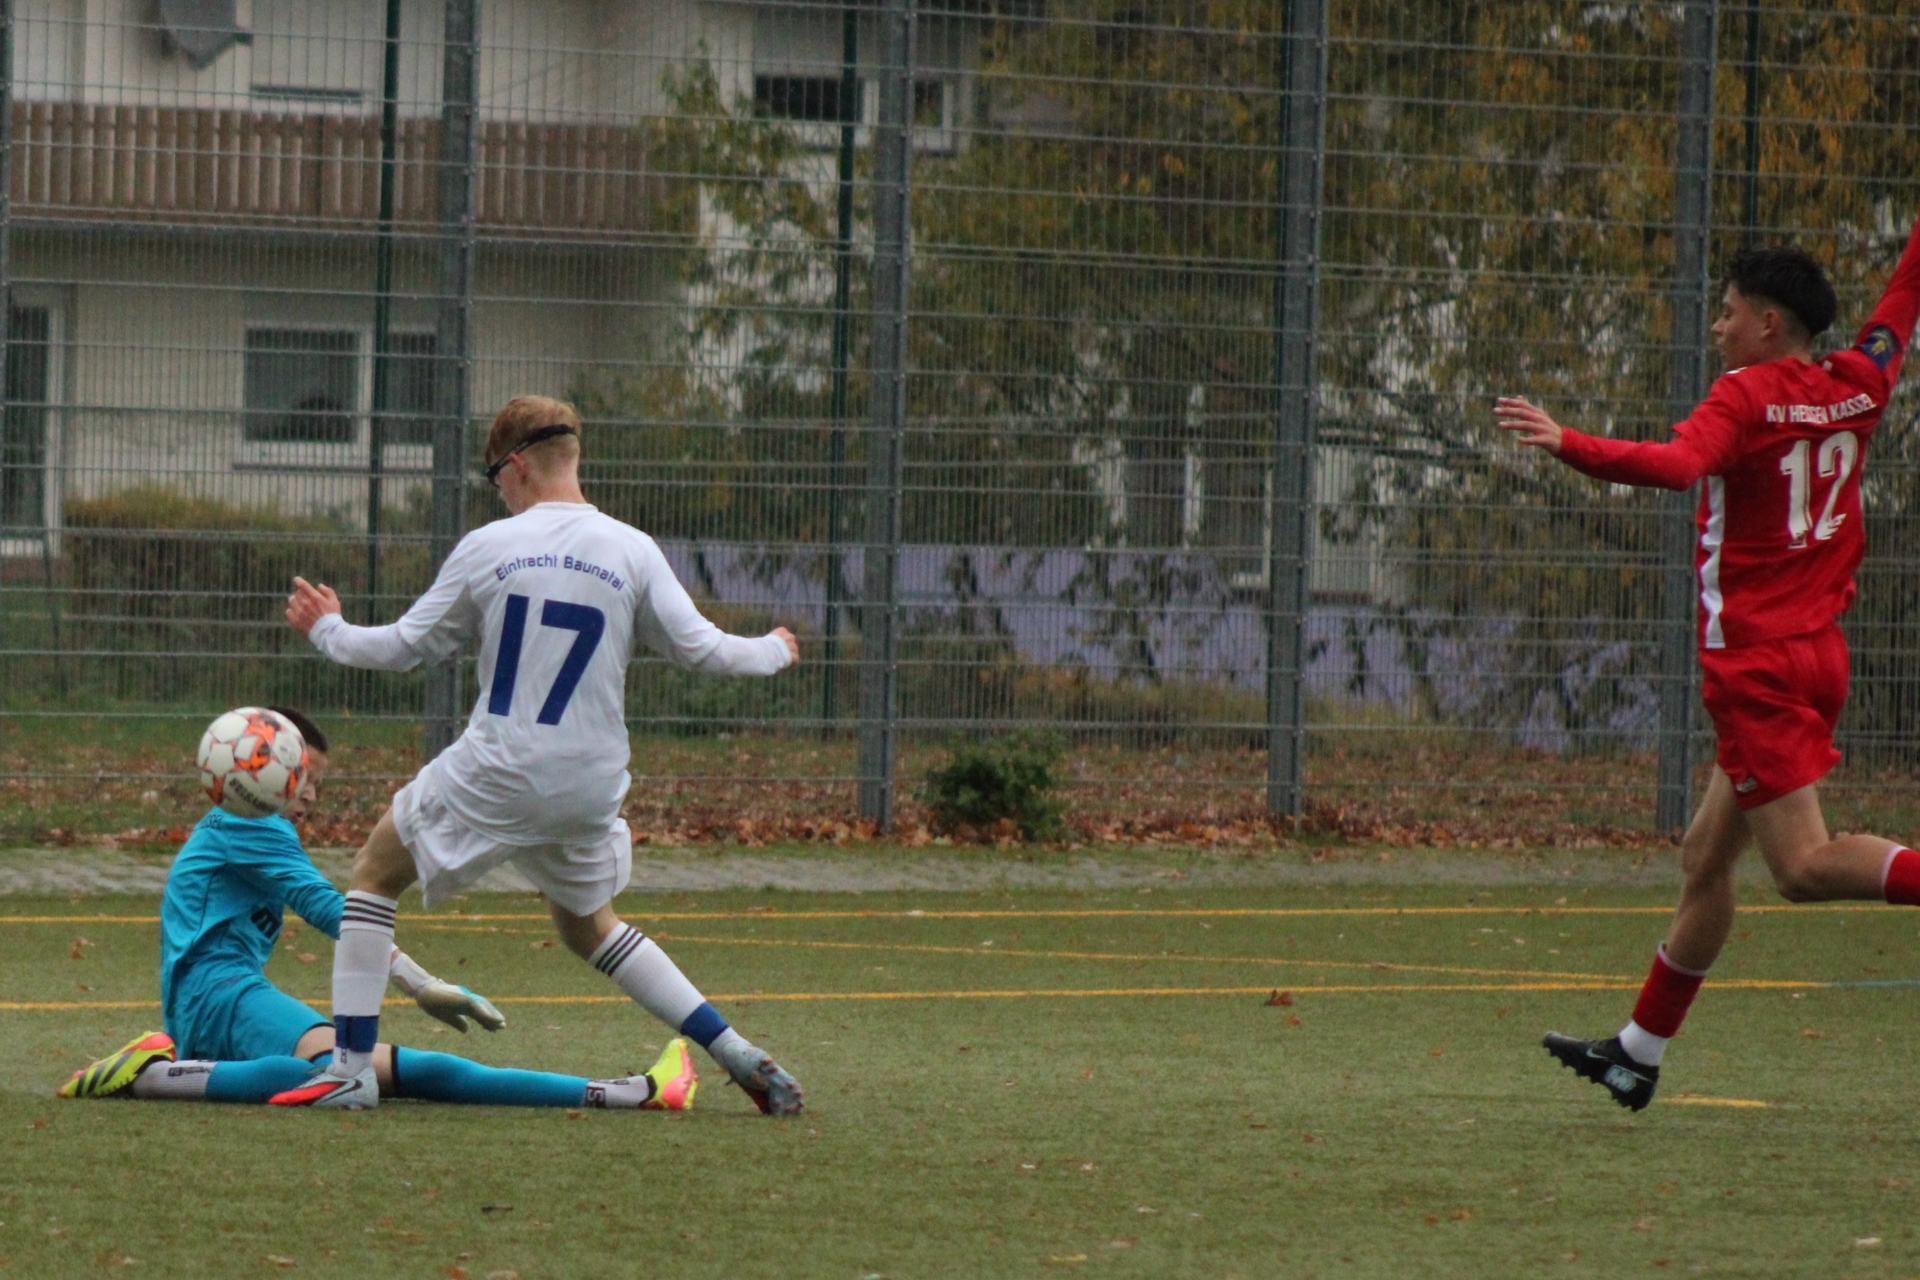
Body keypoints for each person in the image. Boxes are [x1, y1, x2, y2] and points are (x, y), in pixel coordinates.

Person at [1494, 212, 1920, 1110]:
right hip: (1818, 656)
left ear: (1769, 323)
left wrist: (1567, 442)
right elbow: (1903, 299)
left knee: (1801, 868)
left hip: (1756, 668)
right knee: (1704, 857)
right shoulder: (1859, 381)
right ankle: (1637, 1053)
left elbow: (1678, 464)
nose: (1718, 326)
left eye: (1728, 312)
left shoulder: (1745, 397)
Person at [276, 395, 804, 1114]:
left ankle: (347, 1071)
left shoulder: (489, 547)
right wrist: (773, 650)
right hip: (589, 782)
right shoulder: (632, 548)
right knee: (589, 927)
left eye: (496, 477)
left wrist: (327, 629)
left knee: (372, 874)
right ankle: (731, 1046)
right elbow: (705, 650)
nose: (497, 492)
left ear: (517, 465)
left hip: (499, 769)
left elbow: (403, 647)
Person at [58, 707, 697, 1111]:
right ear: (265, 769)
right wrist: (419, 981)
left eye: (316, 781)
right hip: (220, 994)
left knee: (397, 1074)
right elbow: (330, 908)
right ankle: (153, 1075)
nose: (310, 793)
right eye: (303, 776)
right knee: (354, 1076)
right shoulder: (252, 826)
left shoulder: (239, 826)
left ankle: (626, 1093)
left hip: (209, 998)